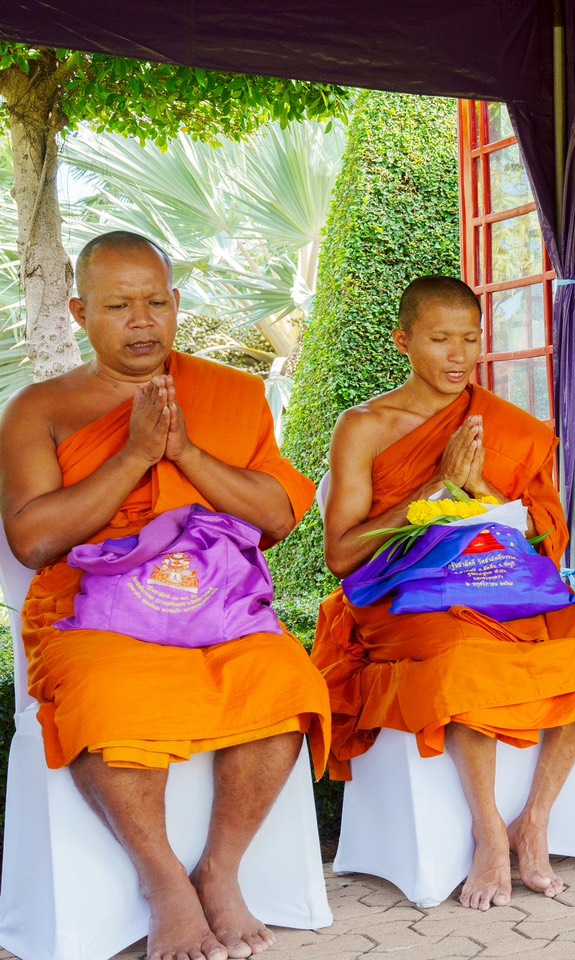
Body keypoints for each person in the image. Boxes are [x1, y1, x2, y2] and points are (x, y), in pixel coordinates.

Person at [0, 231, 330, 960]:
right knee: (110, 698)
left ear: (177, 305)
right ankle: (163, 883)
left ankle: (219, 869)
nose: (142, 319)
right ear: (82, 311)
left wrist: (183, 452)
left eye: (156, 301)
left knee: (285, 683)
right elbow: (31, 539)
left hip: (220, 608)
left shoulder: (230, 395)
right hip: (94, 612)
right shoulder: (41, 408)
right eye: (119, 305)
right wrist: (135, 456)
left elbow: (275, 516)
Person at [314, 276, 575, 911]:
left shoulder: (504, 427)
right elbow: (341, 556)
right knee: (465, 653)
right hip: (401, 599)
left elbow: (547, 537)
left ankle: (535, 821)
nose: (458, 355)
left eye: (470, 339)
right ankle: (489, 830)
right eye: (440, 339)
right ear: (403, 340)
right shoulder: (366, 427)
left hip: (499, 587)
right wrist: (435, 493)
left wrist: (485, 499)